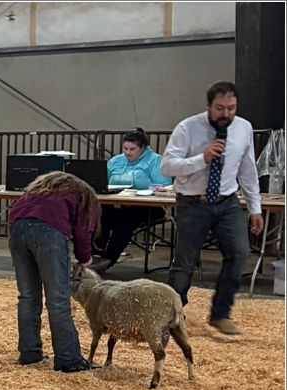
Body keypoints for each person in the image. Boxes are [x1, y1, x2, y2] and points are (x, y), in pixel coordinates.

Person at [161, 81, 263, 335]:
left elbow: (248, 170)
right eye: (220, 108)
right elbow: (167, 166)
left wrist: (255, 208)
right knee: (185, 262)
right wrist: (202, 159)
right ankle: (171, 316)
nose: (226, 113)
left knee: (239, 252)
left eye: (231, 108)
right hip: (192, 202)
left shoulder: (244, 128)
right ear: (208, 106)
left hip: (228, 201)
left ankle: (220, 313)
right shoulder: (187, 128)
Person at [7, 171, 101, 372]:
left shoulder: (37, 191)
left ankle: (29, 353)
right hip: (48, 231)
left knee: (27, 297)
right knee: (58, 300)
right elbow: (83, 229)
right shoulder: (83, 196)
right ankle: (69, 359)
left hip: (16, 228)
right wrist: (85, 257)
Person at [92, 128, 172, 271]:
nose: (128, 152)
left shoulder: (155, 160)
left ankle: (108, 259)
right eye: (125, 148)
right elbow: (101, 182)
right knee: (100, 214)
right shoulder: (116, 161)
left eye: (132, 149)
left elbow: (165, 186)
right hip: (117, 203)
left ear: (143, 148)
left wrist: (149, 190)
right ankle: (94, 256)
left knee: (126, 219)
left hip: (148, 206)